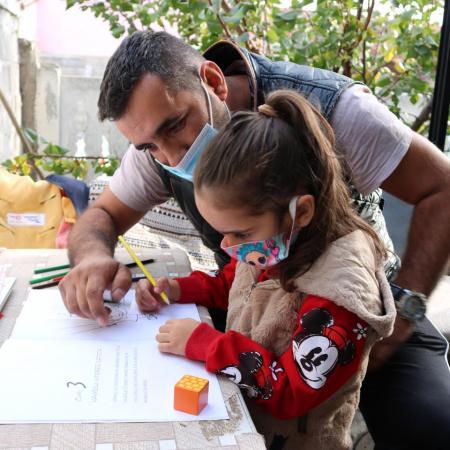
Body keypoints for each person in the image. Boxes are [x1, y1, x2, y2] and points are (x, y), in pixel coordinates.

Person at [59, 31, 450, 448]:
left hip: (364, 302)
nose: (173, 158)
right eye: (150, 146)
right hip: (266, 301)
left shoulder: (340, 111)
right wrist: (92, 260)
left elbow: (442, 191)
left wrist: (404, 315)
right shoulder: (255, 246)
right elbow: (232, 272)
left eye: (175, 126)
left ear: (213, 81)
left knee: (430, 427)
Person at [135, 89, 396, 450]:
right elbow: (237, 282)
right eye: (223, 233)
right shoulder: (276, 244)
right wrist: (180, 289)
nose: (229, 247)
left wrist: (204, 342)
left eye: (240, 233)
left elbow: (290, 391)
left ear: (300, 212)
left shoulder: (341, 297)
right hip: (248, 422)